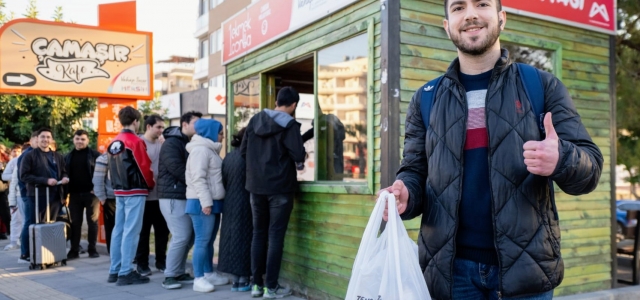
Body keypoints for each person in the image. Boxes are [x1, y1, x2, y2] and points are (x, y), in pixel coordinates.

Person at [380, 1, 604, 299]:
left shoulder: (541, 85)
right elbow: (415, 171)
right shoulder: (425, 99)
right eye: (458, 7)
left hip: (526, 272)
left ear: (501, 18)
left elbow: (590, 169)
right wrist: (405, 194)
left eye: (482, 4)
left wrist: (561, 158)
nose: (470, 14)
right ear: (447, 25)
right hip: (450, 275)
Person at [240, 86, 306, 298]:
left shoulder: (254, 120)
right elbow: (298, 154)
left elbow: (243, 152)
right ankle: (271, 287)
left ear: (277, 101)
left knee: (258, 234)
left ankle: (256, 286)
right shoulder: (290, 125)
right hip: (280, 188)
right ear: (293, 105)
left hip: (255, 187)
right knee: (275, 236)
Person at [106, 106, 155, 286]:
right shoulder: (135, 141)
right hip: (135, 189)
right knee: (131, 231)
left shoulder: (114, 142)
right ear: (136, 121)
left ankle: (115, 269)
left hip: (119, 190)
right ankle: (126, 271)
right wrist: (150, 184)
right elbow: (144, 166)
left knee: (118, 229)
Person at [158, 111, 202, 290]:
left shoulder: (186, 142)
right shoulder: (172, 143)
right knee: (181, 235)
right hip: (172, 196)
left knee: (189, 236)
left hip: (182, 195)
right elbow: (177, 168)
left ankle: (178, 271)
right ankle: (169, 275)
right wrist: (198, 180)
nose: (198, 127)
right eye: (195, 123)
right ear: (184, 124)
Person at [184, 118, 226, 293]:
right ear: (211, 132)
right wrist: (206, 202)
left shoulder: (210, 150)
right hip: (202, 203)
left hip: (212, 201)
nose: (223, 136)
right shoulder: (201, 150)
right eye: (220, 133)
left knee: (208, 241)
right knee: (202, 241)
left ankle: (208, 273)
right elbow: (198, 178)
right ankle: (199, 278)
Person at [19, 128, 70, 263]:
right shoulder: (29, 156)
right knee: (35, 224)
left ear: (51, 139)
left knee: (51, 225)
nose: (45, 140)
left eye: (48, 137)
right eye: (42, 137)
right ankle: (32, 254)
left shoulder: (57, 156)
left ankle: (49, 254)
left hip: (54, 196)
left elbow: (64, 171)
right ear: (37, 138)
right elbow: (24, 176)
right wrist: (45, 181)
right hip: (36, 196)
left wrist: (65, 178)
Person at [218, 127, 252, 292]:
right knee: (245, 238)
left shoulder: (229, 156)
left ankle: (235, 280)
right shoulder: (250, 157)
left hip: (230, 202)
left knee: (231, 239)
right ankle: (244, 278)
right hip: (246, 202)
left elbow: (224, 180)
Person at [135, 114, 170, 276]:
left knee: (162, 232)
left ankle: (161, 262)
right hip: (143, 196)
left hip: (161, 195)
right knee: (143, 233)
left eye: (163, 127)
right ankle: (142, 264)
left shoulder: (164, 144)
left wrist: (166, 146)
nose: (161, 130)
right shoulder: (139, 143)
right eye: (158, 127)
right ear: (149, 127)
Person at [64, 129, 101, 259]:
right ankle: (74, 250)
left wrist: (97, 188)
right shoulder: (68, 156)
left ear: (88, 140)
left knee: (93, 222)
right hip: (74, 195)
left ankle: (92, 249)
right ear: (74, 140)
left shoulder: (95, 155)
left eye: (83, 139)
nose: (80, 141)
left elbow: (102, 173)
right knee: (75, 223)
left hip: (91, 194)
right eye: (77, 139)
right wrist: (65, 194)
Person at [92, 152, 116, 254]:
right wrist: (102, 197)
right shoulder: (104, 158)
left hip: (126, 196)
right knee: (112, 227)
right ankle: (113, 255)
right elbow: (97, 179)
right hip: (110, 198)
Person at [3, 144, 24, 250]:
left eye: (18, 151)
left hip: (28, 194)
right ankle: (14, 241)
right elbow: (4, 176)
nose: (17, 153)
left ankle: (24, 241)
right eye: (14, 151)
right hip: (14, 194)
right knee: (15, 218)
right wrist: (17, 176)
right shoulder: (13, 162)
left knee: (27, 220)